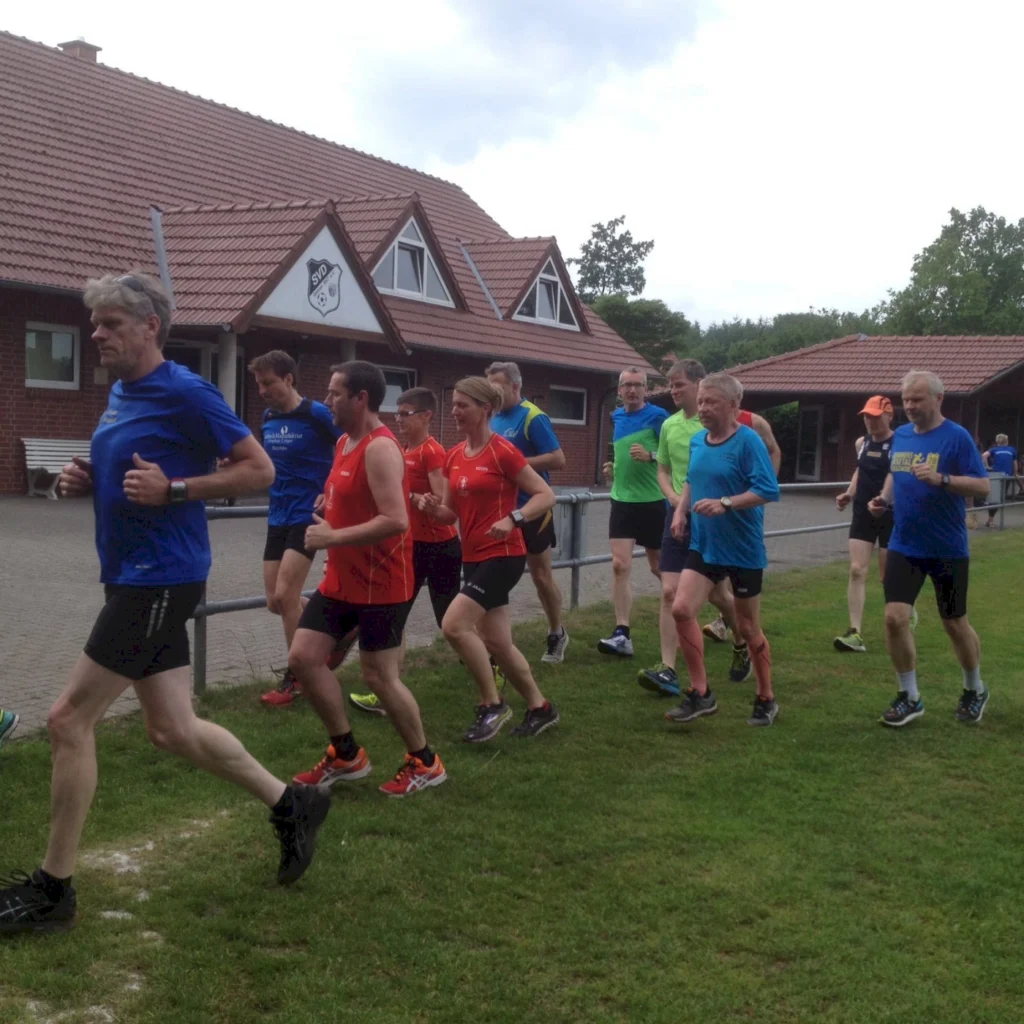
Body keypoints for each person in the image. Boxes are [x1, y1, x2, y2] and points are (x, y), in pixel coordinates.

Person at [0, 273, 331, 936]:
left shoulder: (185, 389)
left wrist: (176, 489)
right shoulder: (121, 393)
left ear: (152, 325)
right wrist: (85, 477)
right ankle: (293, 802)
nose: (98, 334)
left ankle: (53, 890)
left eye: (112, 323)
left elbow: (258, 469)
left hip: (162, 577)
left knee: (68, 721)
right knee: (172, 729)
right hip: (130, 574)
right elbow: (126, 468)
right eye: (95, 324)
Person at [288, 362, 446, 797]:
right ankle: (346, 754)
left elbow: (396, 521)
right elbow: (356, 500)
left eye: (336, 393)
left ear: (361, 399)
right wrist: (331, 510)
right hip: (341, 579)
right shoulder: (344, 441)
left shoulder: (380, 448)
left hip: (381, 582)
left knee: (379, 678)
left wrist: (333, 535)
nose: (327, 400)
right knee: (303, 657)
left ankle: (425, 761)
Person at [417, 377, 560, 741]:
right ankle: (540, 708)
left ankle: (491, 704)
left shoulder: (503, 451)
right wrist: (432, 508)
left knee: (454, 625)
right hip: (473, 556)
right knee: (497, 642)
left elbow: (546, 495)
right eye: (453, 405)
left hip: (505, 554)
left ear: (486, 409)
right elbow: (451, 515)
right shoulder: (453, 456)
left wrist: (513, 517)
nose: (455, 412)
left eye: (463, 405)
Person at [868, 370, 991, 727]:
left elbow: (983, 487)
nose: (909, 406)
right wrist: (883, 498)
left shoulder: (956, 438)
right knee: (894, 618)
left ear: (939, 399)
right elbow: (896, 472)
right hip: (905, 544)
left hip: (947, 547)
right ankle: (910, 696)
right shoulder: (903, 435)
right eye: (906, 400)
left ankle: (974, 689)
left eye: (917, 399)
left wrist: (943, 479)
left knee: (954, 623)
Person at [665, 372, 781, 727]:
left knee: (747, 628)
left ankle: (765, 697)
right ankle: (701, 693)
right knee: (682, 609)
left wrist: (726, 503)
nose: (702, 408)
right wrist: (682, 510)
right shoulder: (699, 441)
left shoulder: (748, 442)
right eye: (700, 401)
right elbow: (691, 480)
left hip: (742, 550)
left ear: (733, 405)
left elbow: (768, 489)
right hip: (704, 544)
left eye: (711, 402)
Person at [347, 387, 463, 716]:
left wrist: (413, 498)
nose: (399, 420)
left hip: (440, 547)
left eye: (405, 414)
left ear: (426, 416)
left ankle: (491, 666)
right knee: (395, 616)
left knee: (451, 621)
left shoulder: (431, 451)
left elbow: (440, 498)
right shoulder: (399, 448)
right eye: (396, 414)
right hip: (409, 546)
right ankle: (389, 690)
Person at [637, 360, 748, 696]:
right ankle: (668, 669)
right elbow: (663, 469)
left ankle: (741, 640)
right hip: (679, 517)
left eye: (680, 384)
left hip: (712, 522)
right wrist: (673, 499)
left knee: (719, 595)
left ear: (699, 384)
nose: (673, 390)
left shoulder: (720, 427)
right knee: (670, 593)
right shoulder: (670, 426)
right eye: (670, 384)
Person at [249, 350, 343, 707]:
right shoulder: (269, 417)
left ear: (289, 379)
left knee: (287, 596)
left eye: (268, 383)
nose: (263, 390)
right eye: (259, 384)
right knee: (276, 601)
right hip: (277, 515)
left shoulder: (318, 414)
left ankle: (298, 677)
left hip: (308, 514)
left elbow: (348, 448)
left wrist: (329, 490)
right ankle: (332, 631)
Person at [486, 361, 570, 664]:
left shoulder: (533, 417)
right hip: (499, 511)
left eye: (497, 386)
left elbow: (558, 459)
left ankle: (556, 631)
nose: (491, 393)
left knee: (540, 576)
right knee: (494, 578)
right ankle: (493, 645)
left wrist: (516, 466)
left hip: (532, 508)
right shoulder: (492, 417)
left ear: (514, 387)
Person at [598, 367, 669, 656]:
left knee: (659, 567)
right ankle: (622, 633)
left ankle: (686, 604)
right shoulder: (616, 417)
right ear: (619, 390)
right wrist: (615, 468)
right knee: (619, 565)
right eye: (627, 385)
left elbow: (675, 456)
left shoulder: (659, 417)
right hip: (622, 500)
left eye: (638, 385)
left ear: (646, 389)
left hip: (653, 501)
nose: (632, 390)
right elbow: (624, 451)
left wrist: (651, 456)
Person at [701, 405, 781, 643]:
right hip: (712, 504)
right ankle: (726, 620)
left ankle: (736, 627)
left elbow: (774, 451)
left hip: (743, 506)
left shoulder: (754, 422)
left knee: (739, 561)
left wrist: (766, 484)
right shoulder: (706, 421)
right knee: (718, 563)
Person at [833, 395, 896, 652]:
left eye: (875, 416)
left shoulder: (899, 443)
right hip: (863, 512)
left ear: (889, 416)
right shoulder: (862, 442)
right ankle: (855, 633)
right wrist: (849, 493)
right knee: (857, 569)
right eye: (866, 416)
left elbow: (894, 474)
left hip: (892, 512)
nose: (870, 421)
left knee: (887, 576)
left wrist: (883, 499)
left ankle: (902, 613)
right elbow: (861, 470)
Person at [982, 433, 1019, 526]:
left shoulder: (995, 449)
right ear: (1006, 441)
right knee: (999, 498)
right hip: (1005, 476)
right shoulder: (1011, 450)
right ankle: (990, 520)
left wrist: (987, 467)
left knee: (997, 498)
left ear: (997, 441)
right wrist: (1015, 473)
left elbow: (983, 456)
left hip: (997, 475)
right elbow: (1015, 464)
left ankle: (990, 519)